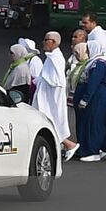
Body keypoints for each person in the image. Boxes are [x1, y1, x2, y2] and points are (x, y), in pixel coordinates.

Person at [74, 27, 106, 162]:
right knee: (94, 122)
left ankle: (92, 151)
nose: (86, 52)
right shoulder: (93, 62)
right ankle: (99, 147)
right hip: (96, 97)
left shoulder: (98, 64)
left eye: (88, 49)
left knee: (94, 123)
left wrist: (85, 99)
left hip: (98, 97)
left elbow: (93, 83)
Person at [33, 31, 76, 161]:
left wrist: (40, 80)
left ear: (54, 42)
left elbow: (56, 80)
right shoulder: (51, 57)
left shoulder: (56, 58)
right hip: (46, 96)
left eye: (47, 40)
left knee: (52, 120)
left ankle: (68, 145)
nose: (44, 42)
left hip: (51, 98)